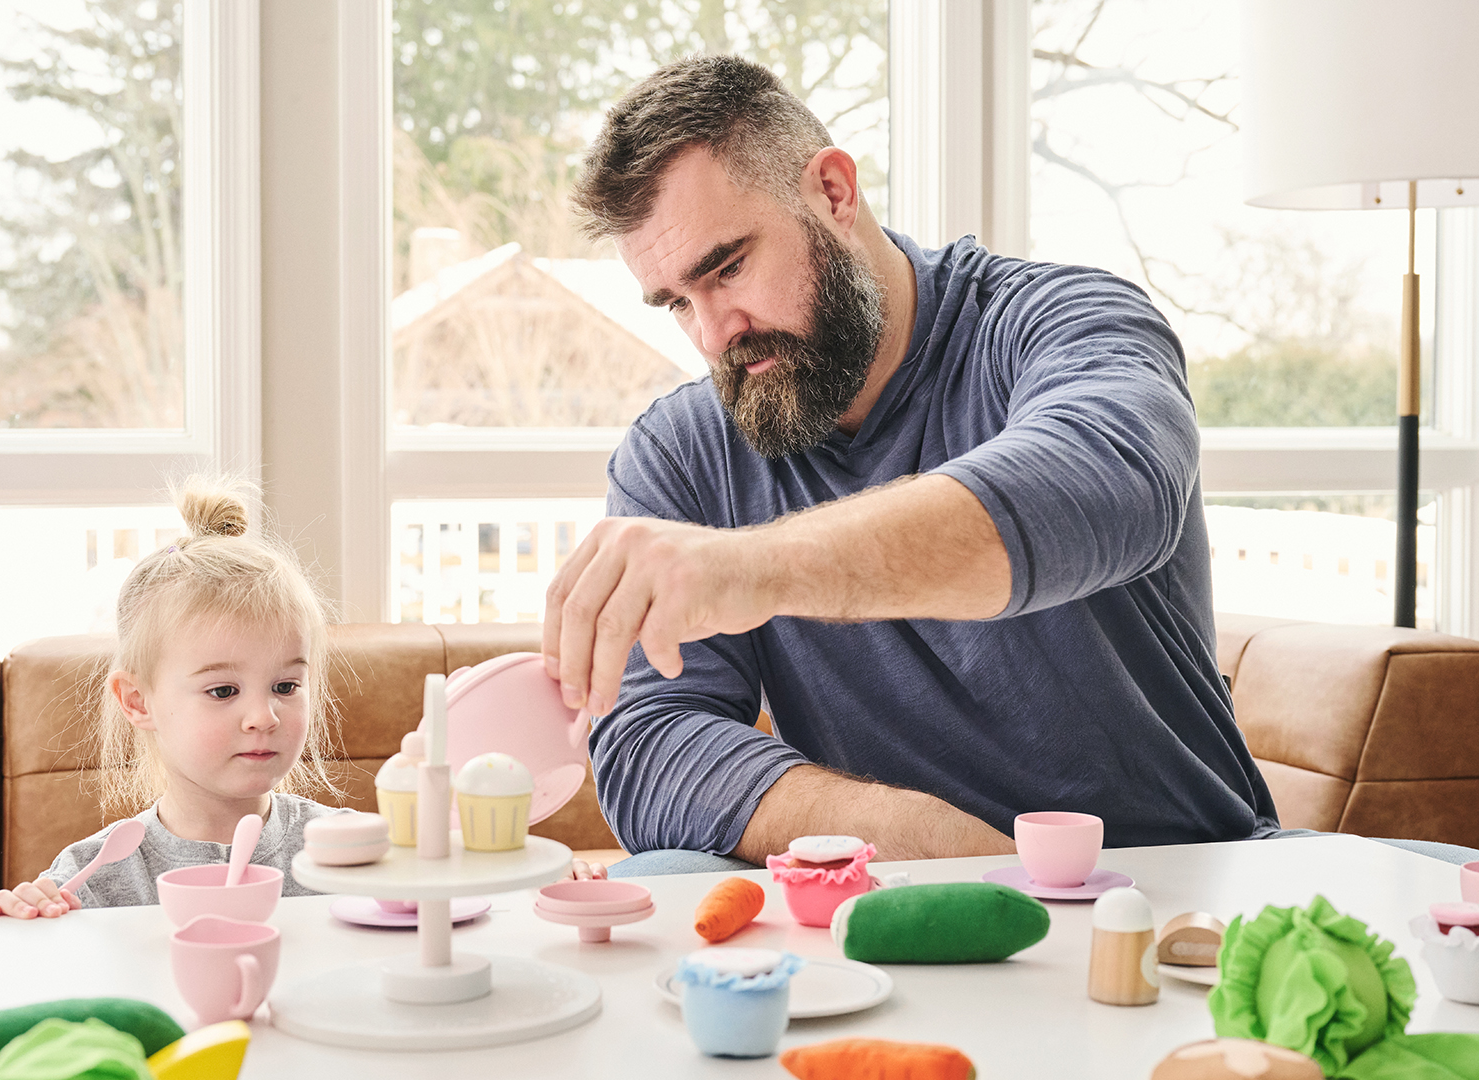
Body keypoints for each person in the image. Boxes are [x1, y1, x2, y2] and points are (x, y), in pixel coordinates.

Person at [543, 55, 1280, 876]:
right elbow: (651, 743)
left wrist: (753, 568)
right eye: (679, 302)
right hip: (896, 890)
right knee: (665, 876)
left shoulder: (1064, 321)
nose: (715, 334)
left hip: (1162, 882)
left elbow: (1109, 488)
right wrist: (941, 847)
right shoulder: (682, 455)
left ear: (832, 192)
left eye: (728, 268)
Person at [0, 477, 350, 917]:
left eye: (285, 687)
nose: (263, 717)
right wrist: (24, 926)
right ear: (137, 701)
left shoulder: (346, 852)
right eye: (223, 691)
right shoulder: (91, 879)